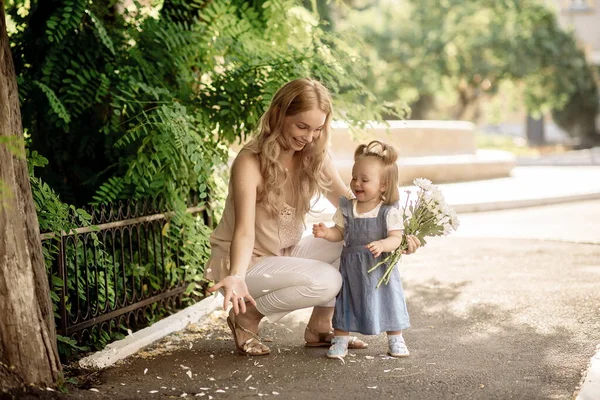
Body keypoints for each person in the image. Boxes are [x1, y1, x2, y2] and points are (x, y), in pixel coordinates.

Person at [205, 78, 421, 356]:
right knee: (329, 280)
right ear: (279, 115)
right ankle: (247, 316)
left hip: (286, 252)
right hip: (247, 263)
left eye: (317, 129)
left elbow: (353, 207)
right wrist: (235, 275)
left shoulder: (313, 154)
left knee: (350, 241)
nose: (309, 137)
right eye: (302, 126)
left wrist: (397, 234)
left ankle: (320, 326)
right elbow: (244, 232)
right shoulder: (250, 162)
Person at [312, 140, 412, 359]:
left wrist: (383, 244)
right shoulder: (348, 207)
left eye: (364, 180)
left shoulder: (387, 211)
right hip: (351, 269)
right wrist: (326, 232)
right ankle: (340, 339)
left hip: (378, 266)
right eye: (354, 177)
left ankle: (395, 337)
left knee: (388, 300)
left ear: (383, 185)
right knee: (346, 301)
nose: (357, 183)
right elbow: (340, 232)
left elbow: (397, 237)